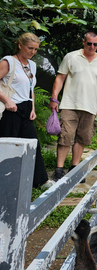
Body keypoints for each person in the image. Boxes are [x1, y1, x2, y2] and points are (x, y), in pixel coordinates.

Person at [49, 31, 97, 182]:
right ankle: (59, 169)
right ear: (83, 42)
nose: (92, 46)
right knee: (65, 136)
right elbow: (60, 78)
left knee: (82, 138)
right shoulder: (71, 57)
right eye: (89, 43)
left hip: (90, 106)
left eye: (95, 44)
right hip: (70, 103)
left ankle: (74, 168)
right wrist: (54, 98)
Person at [0, 33, 54, 189]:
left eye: (36, 49)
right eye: (30, 48)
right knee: (8, 146)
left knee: (32, 144)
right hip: (11, 109)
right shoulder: (8, 61)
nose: (33, 52)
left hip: (26, 109)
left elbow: (31, 88)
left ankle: (41, 181)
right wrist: (7, 100)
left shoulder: (32, 65)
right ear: (20, 45)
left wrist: (33, 109)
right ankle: (6, 183)